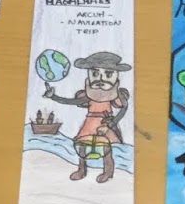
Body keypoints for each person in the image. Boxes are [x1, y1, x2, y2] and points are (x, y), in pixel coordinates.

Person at [42, 51, 131, 183]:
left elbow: (123, 109)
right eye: (95, 74)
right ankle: (82, 169)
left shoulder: (115, 95)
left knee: (106, 147)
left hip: (105, 123)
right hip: (90, 122)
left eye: (108, 74)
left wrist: (110, 125)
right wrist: (53, 96)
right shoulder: (89, 94)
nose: (101, 80)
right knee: (82, 146)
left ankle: (108, 171)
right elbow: (72, 101)